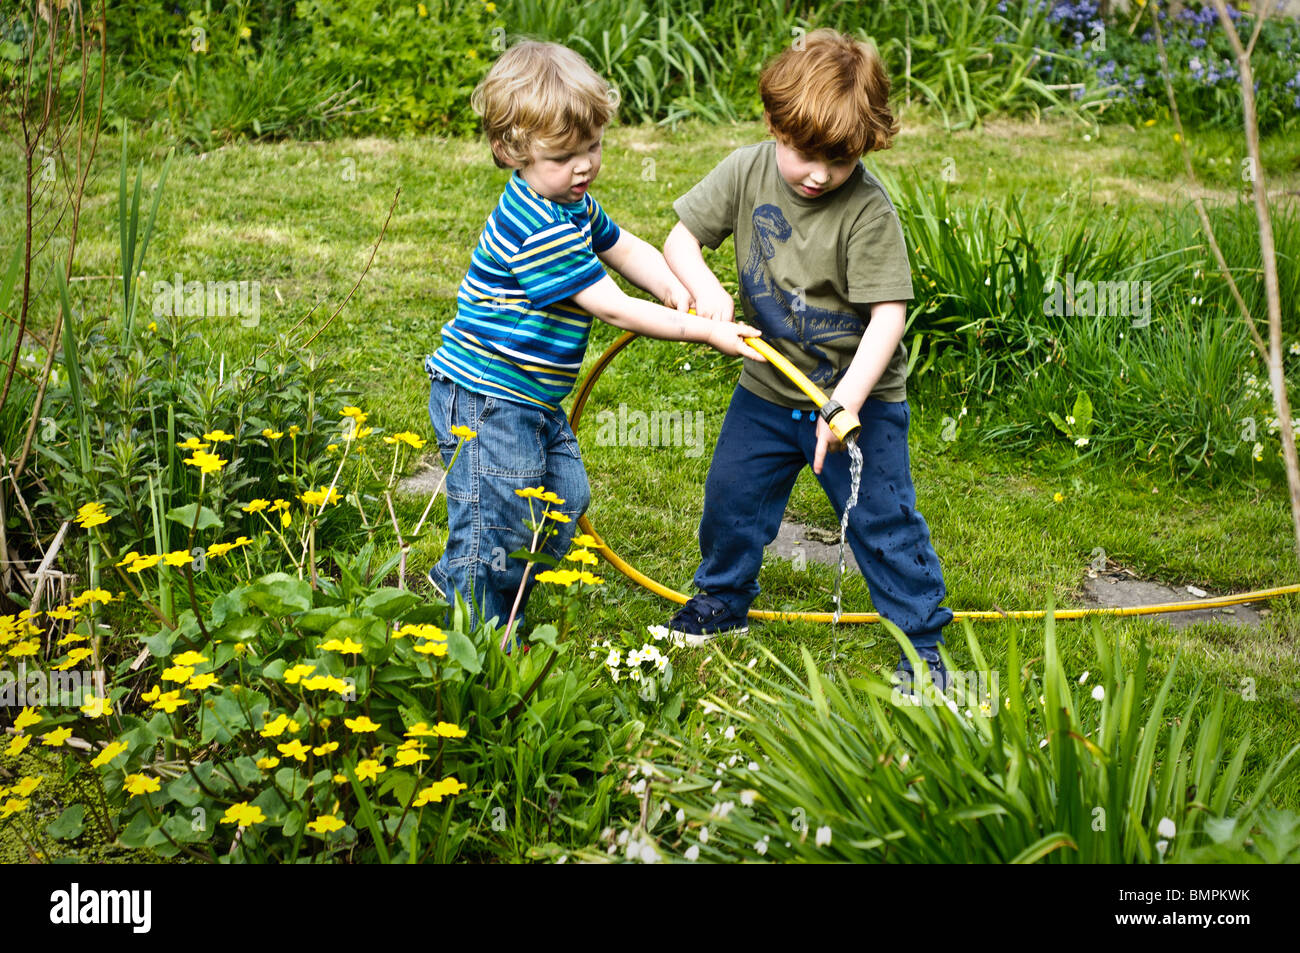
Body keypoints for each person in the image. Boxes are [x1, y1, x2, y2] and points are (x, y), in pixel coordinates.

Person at [424, 40, 765, 643]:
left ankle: (479, 588)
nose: (584, 166)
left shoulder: (571, 202)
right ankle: (477, 629)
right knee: (499, 513)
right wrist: (705, 330)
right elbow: (610, 307)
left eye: (593, 147)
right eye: (565, 155)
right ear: (512, 151)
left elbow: (626, 248)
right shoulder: (535, 224)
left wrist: (674, 286)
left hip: (532, 399)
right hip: (486, 398)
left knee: (563, 502)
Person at [660, 29, 953, 687]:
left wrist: (845, 399)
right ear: (773, 124)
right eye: (806, 154)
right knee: (731, 499)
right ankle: (720, 603)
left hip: (858, 404)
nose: (821, 173)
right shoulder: (745, 170)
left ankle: (922, 648)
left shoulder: (868, 212)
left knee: (883, 523)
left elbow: (888, 318)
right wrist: (706, 291)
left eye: (840, 159)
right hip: (767, 389)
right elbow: (681, 238)